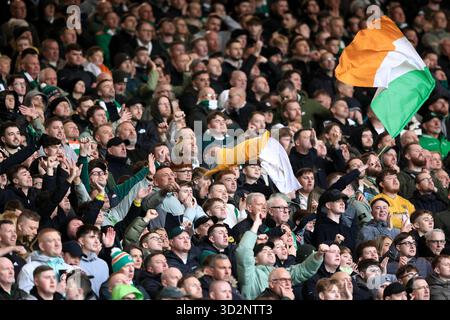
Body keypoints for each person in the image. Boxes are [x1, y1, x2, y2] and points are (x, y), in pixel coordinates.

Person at [235, 210, 327, 299]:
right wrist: (256, 225)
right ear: (255, 259)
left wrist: (318, 256)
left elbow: (302, 270)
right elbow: (244, 253)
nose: (270, 252)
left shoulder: (281, 272)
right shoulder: (250, 274)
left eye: (271, 250)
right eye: (265, 251)